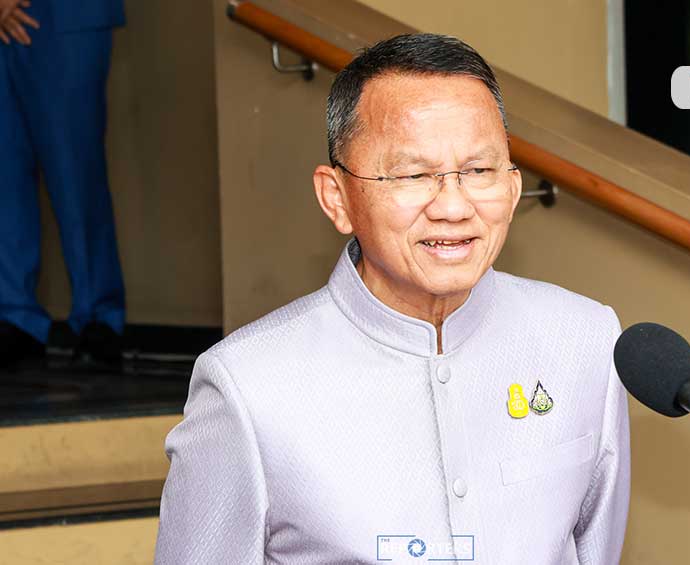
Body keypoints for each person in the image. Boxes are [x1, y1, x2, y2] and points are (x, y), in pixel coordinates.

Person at [155, 33, 630, 564]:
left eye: (478, 171)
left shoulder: (585, 341)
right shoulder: (247, 387)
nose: (453, 207)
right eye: (412, 174)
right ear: (337, 198)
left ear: (513, 189)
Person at [0, 0, 126, 367]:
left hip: (65, 13)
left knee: (75, 168)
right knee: (5, 174)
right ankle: (14, 315)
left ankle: (99, 316)